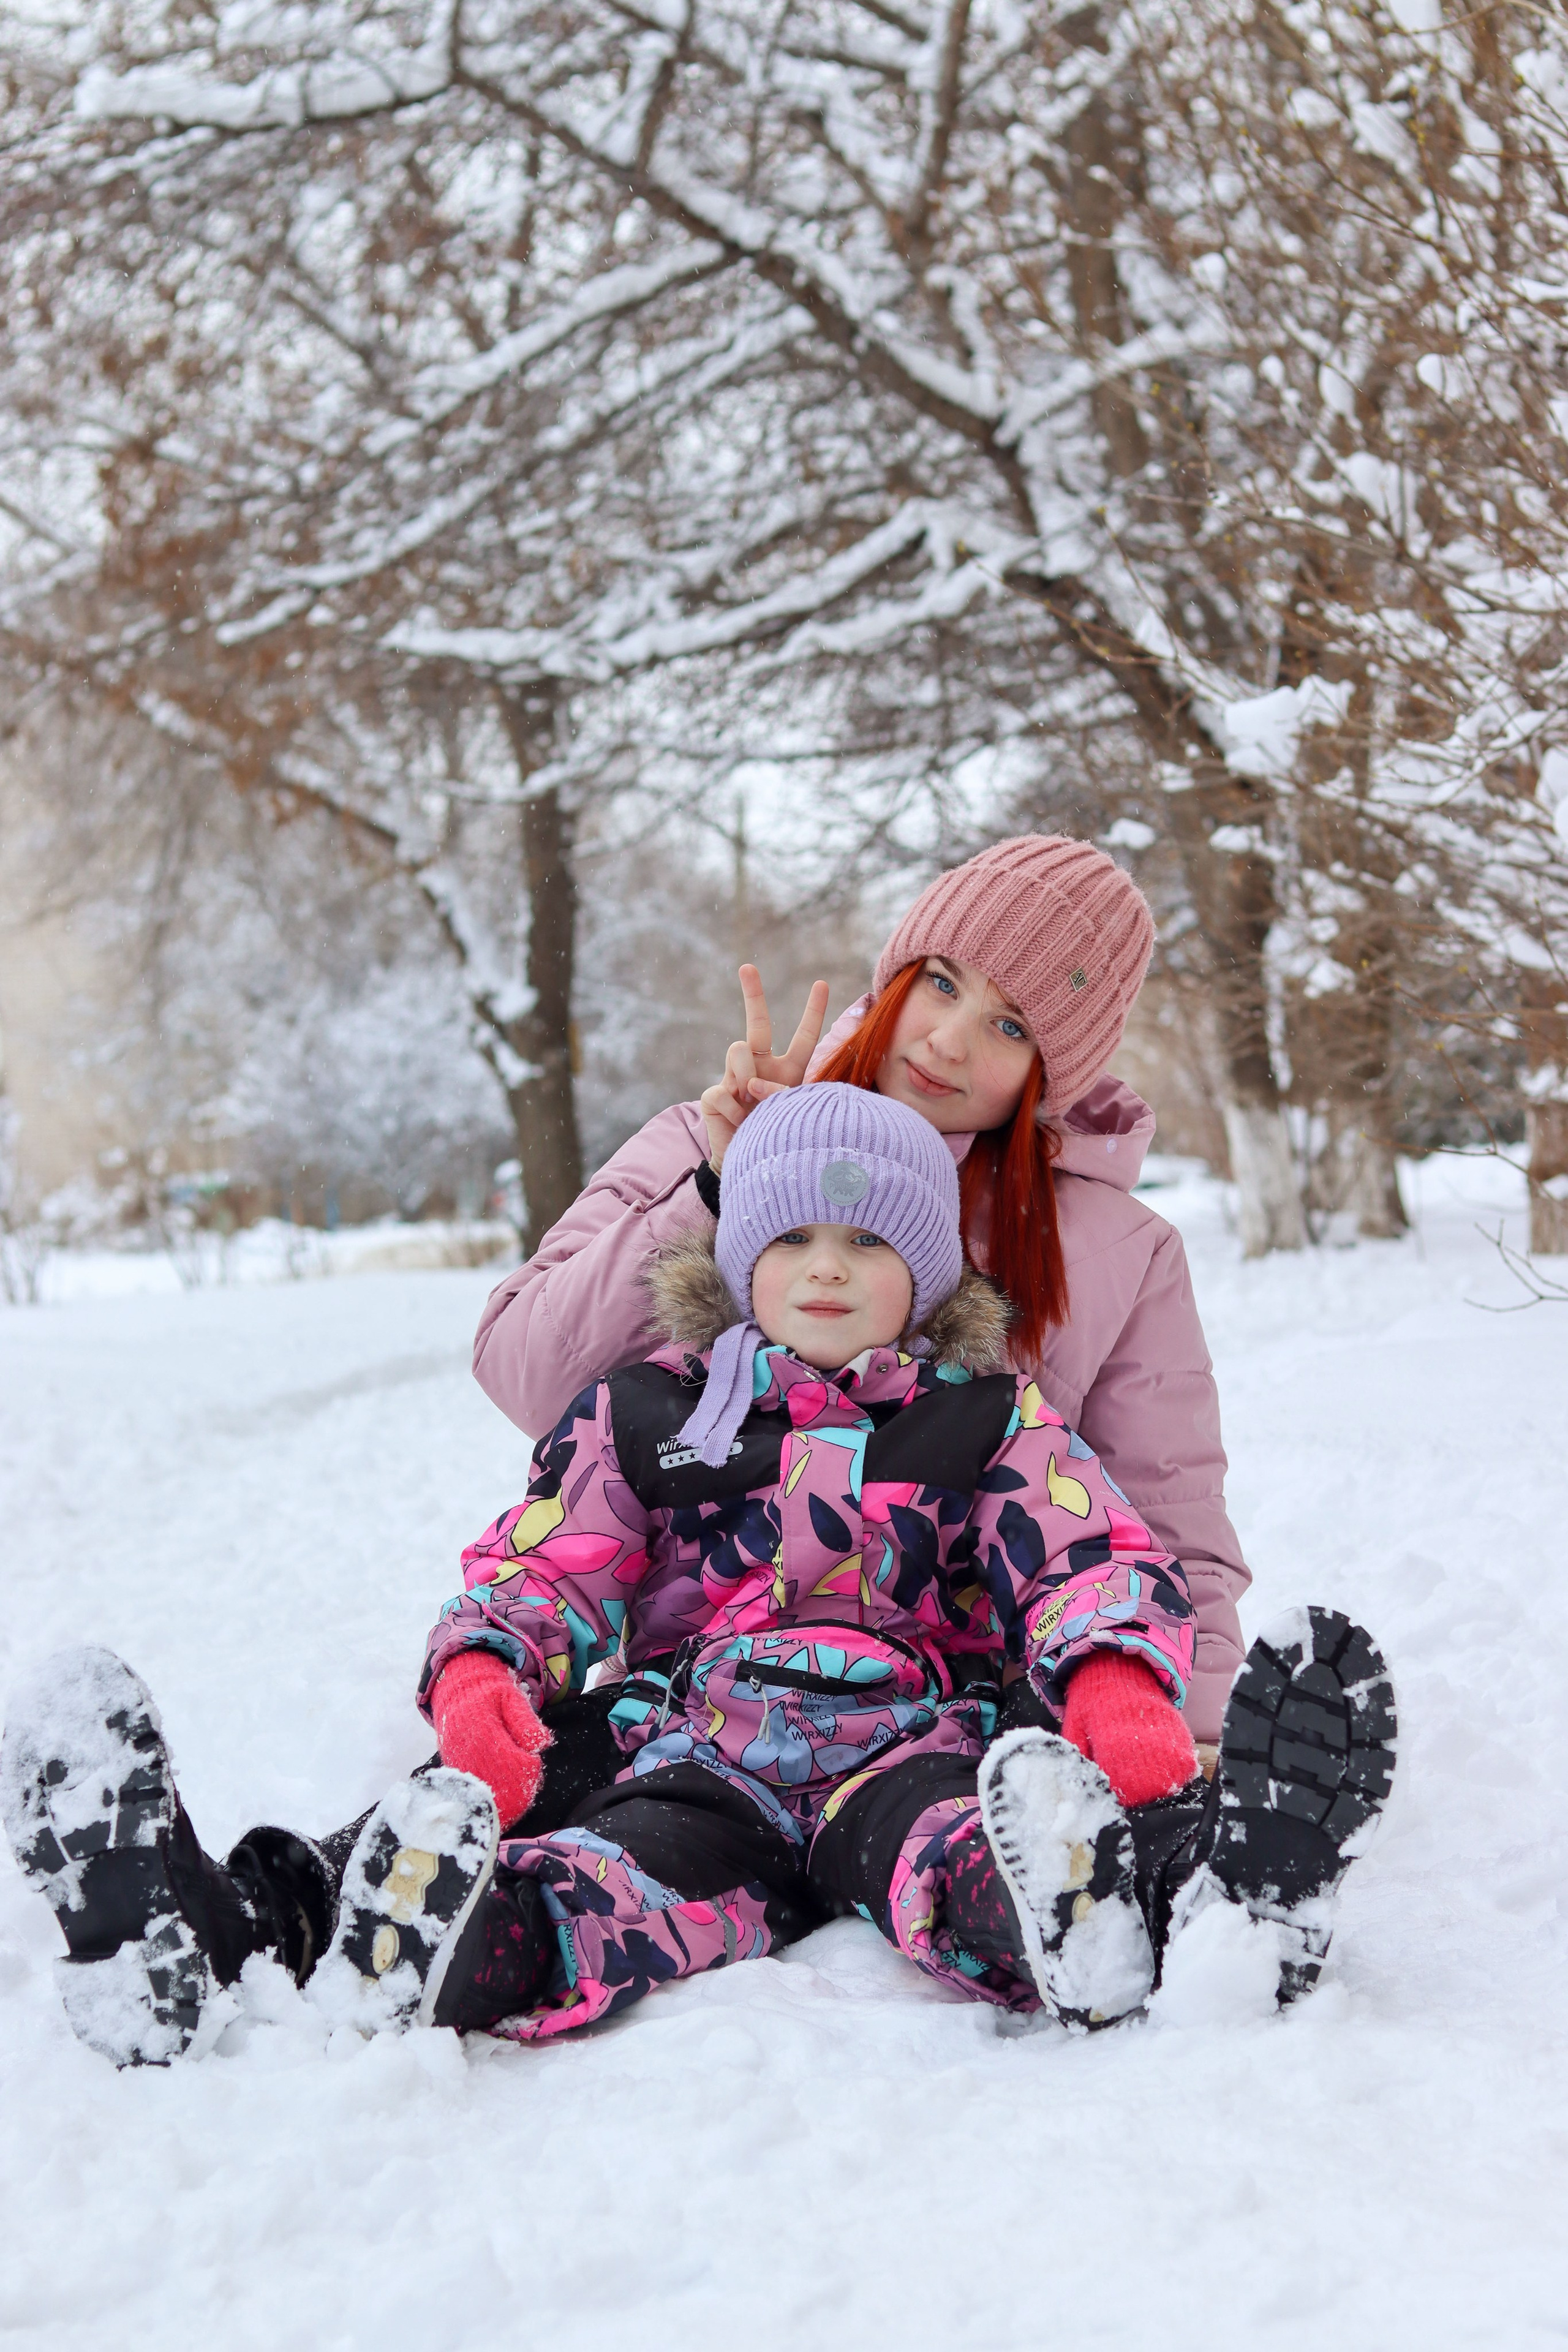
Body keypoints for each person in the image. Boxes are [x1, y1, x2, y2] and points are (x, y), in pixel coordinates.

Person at [2, 1088, 1396, 2065]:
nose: (828, 1269)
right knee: (604, 1881)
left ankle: (1191, 1898)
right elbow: (555, 1552)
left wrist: (1109, 1685)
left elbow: (1080, 1549)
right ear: (739, 1259)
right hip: (691, 1747)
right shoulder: (656, 1410)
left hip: (903, 1738)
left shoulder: (986, 1411)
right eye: (791, 1239)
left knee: (975, 1849)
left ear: (921, 1270)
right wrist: (489, 1668)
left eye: (866, 1242)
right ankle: (265, 1922)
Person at [469, 835, 1251, 1760]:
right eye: (944, 983)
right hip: (700, 1723)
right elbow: (531, 1377)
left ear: (1055, 1071)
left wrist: (1174, 1735)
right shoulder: (709, 1136)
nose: (947, 1042)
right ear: (898, 975)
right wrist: (718, 1193)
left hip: (958, 1746)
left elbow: (1165, 1521)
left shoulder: (1118, 1250)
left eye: (1012, 1028)